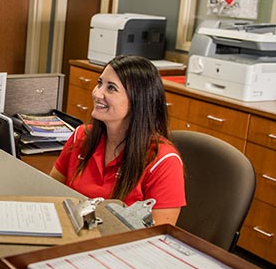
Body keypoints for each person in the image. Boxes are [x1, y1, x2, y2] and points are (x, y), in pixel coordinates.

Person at [50, 54, 185, 225]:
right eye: (100, 83)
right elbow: (50, 195)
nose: (97, 93)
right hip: (71, 235)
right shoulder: (82, 136)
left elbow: (156, 236)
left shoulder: (163, 161)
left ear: (138, 100)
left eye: (111, 88)